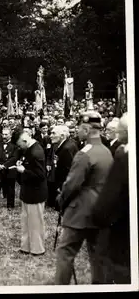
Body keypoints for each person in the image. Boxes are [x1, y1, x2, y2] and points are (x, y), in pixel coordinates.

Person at [54, 111, 114, 284]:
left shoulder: (84, 153)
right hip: (101, 212)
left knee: (65, 253)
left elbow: (71, 185)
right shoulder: (106, 151)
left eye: (79, 127)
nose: (76, 131)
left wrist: (61, 200)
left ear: (86, 130)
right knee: (97, 257)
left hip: (80, 213)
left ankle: (61, 287)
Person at [92, 113, 130, 284]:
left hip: (121, 228)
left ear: (123, 132)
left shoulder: (122, 154)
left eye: (116, 130)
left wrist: (99, 215)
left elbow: (107, 201)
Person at [11, 128, 48, 256]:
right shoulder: (29, 150)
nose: (19, 148)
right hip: (28, 192)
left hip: (35, 193)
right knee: (26, 221)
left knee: (35, 222)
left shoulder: (36, 152)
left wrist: (23, 171)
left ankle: (37, 249)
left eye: (19, 145)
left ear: (24, 140)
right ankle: (26, 246)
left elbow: (40, 176)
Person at [47, 125, 79, 210]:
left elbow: (68, 170)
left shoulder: (66, 148)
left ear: (62, 136)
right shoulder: (67, 144)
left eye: (53, 133)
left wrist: (61, 187)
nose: (51, 135)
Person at [0, 128, 19, 210]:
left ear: (10, 135)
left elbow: (14, 158)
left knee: (10, 188)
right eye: (3, 134)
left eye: (6, 134)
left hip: (9, 170)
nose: (4, 136)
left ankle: (10, 205)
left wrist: (4, 165)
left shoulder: (14, 147)